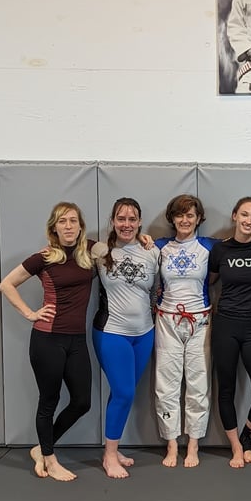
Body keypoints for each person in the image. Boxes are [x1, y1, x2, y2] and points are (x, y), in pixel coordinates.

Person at [0, 202, 95, 481]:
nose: (68, 226)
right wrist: (30, 313)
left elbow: (118, 245)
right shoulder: (43, 257)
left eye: (73, 220)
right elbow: (6, 284)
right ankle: (50, 460)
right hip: (48, 339)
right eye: (62, 221)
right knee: (49, 401)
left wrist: (143, 238)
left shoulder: (90, 250)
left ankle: (41, 448)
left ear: (81, 226)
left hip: (77, 340)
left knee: (82, 402)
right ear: (54, 227)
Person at [91, 198, 160, 479]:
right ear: (112, 221)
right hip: (112, 333)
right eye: (121, 219)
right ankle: (109, 456)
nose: (127, 224)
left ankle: (113, 447)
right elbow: (70, 245)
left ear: (140, 222)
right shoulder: (99, 250)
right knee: (124, 392)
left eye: (132, 219)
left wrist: (147, 239)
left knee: (123, 391)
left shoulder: (152, 251)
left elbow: (155, 290)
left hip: (144, 333)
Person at [208, 197, 251, 467]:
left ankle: (248, 435)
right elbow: (208, 281)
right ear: (234, 215)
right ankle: (236, 447)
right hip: (225, 325)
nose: (249, 220)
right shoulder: (220, 250)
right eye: (245, 214)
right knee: (226, 389)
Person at [154, 194, 218, 468]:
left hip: (200, 321)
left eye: (190, 215)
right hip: (167, 320)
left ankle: (193, 444)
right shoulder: (158, 246)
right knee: (166, 384)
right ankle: (171, 443)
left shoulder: (210, 246)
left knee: (198, 383)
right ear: (172, 218)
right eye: (179, 215)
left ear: (199, 218)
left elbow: (248, 245)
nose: (184, 220)